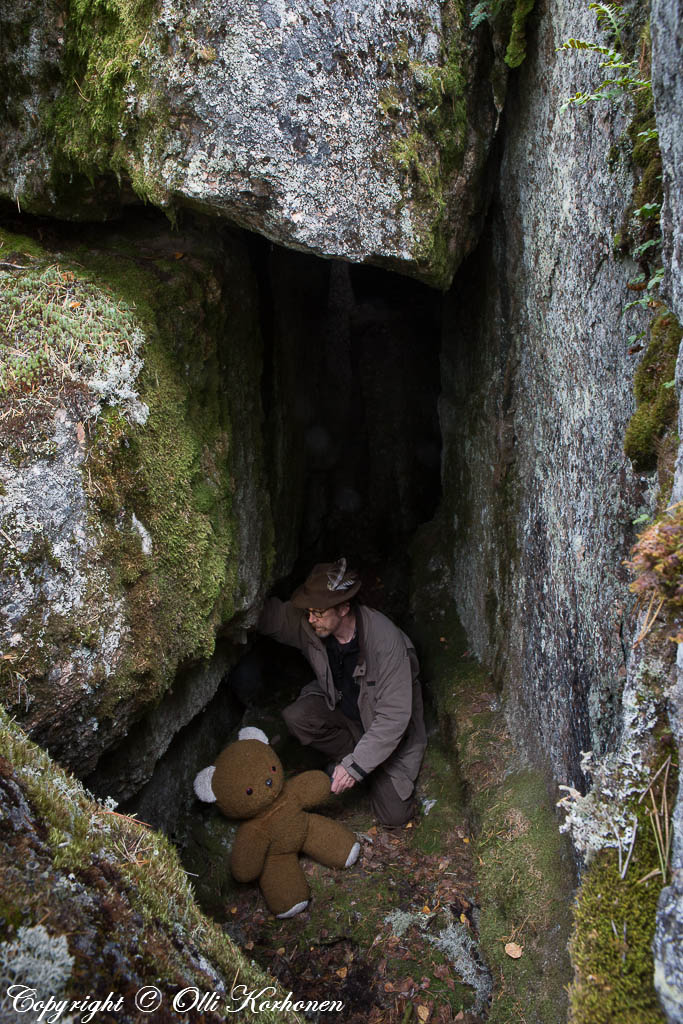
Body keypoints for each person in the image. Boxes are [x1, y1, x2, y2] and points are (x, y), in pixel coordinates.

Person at [257, 558, 426, 827]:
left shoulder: (386, 641)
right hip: (347, 717)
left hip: (385, 732)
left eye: (319, 613)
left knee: (394, 816)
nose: (311, 619)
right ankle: (353, 760)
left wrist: (355, 767)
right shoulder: (313, 624)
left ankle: (361, 767)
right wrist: (235, 612)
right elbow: (275, 617)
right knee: (298, 717)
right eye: (309, 611)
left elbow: (394, 718)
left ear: (345, 608)